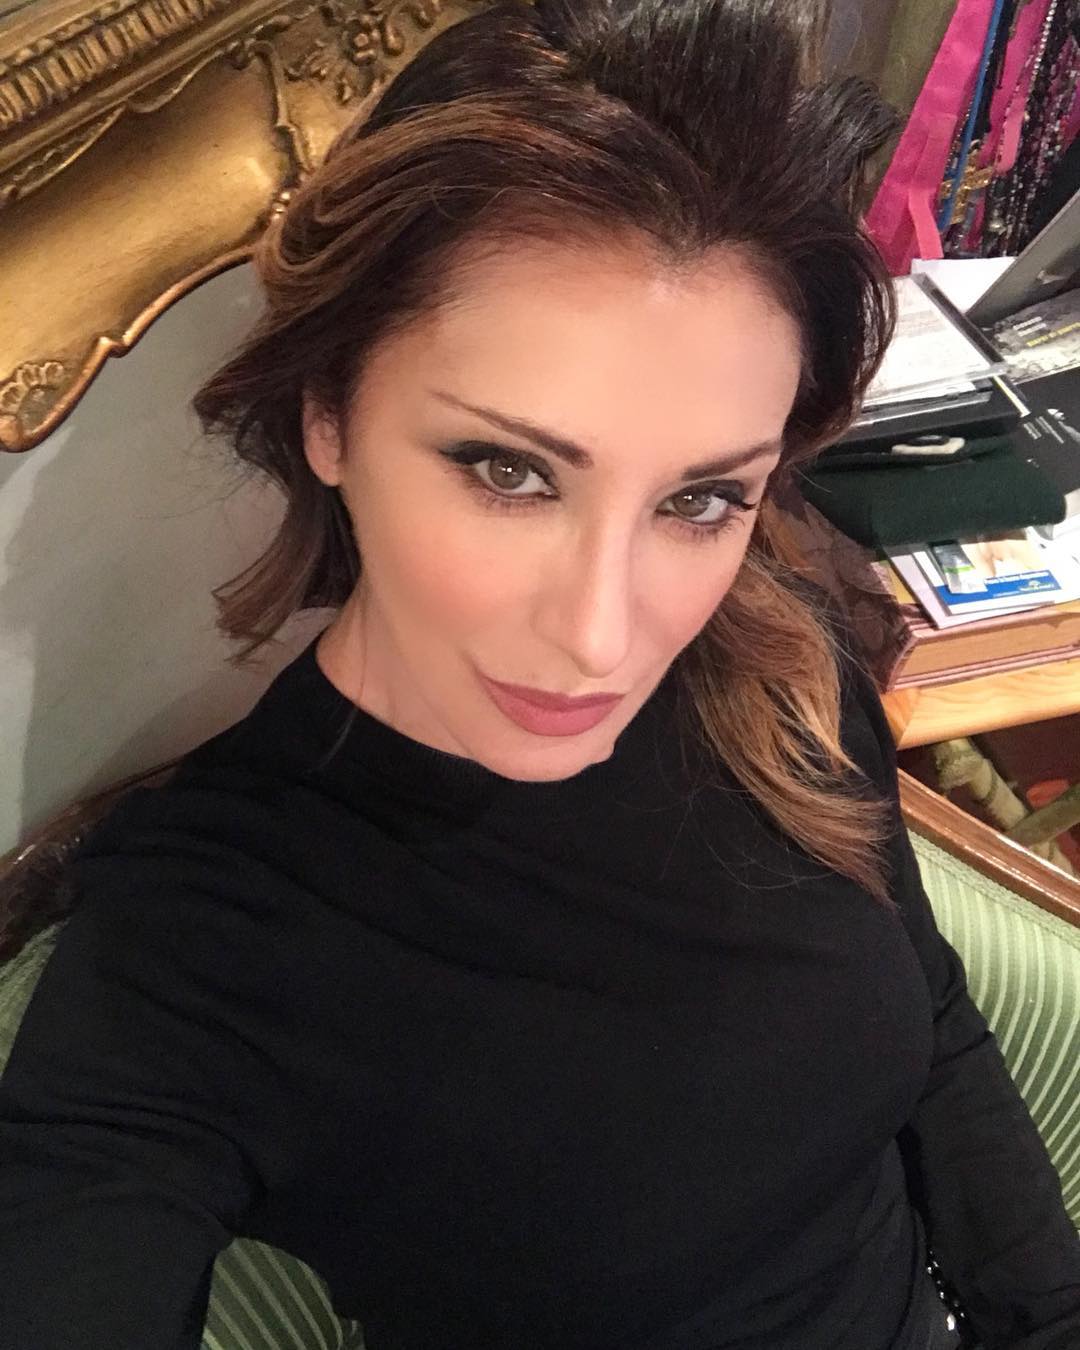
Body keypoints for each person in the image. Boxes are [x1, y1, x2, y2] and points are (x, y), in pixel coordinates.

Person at [1, 1, 1078, 1347]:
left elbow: (931, 1013)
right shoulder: (200, 940)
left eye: (701, 499)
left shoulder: (777, 660)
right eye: (509, 471)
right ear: (328, 413)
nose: (604, 636)